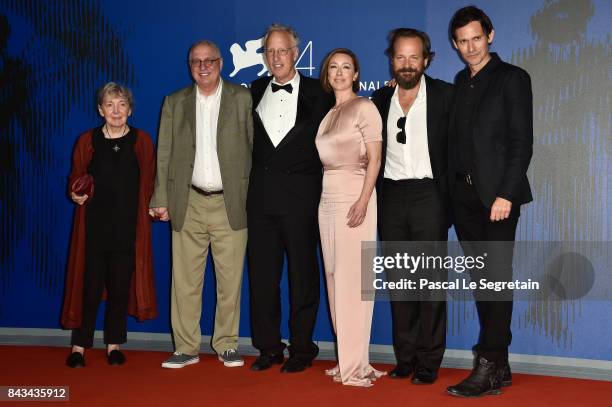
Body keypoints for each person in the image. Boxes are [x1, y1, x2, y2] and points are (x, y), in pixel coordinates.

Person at [446, 6, 533, 397]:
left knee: (495, 282)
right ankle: (502, 364)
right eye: (463, 41)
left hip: (497, 200)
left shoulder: (513, 79)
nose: (470, 47)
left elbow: (521, 142)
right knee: (484, 283)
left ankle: (487, 363)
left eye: (476, 38)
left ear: (490, 35)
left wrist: (506, 194)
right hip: (463, 199)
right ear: (455, 44)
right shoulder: (459, 82)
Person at [150, 40, 253, 369]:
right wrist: (160, 199)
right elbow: (163, 154)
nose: (203, 66)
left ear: (221, 63)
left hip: (231, 202)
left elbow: (254, 149)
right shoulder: (175, 102)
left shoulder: (242, 98)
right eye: (196, 61)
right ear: (189, 65)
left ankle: (227, 343)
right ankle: (185, 347)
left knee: (230, 279)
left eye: (209, 60)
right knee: (184, 281)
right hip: (188, 200)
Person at [248, 24, 333, 373]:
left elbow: (353, 116)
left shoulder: (320, 92)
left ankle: (302, 347)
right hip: (262, 201)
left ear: (296, 53)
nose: (276, 57)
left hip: (302, 199)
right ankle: (268, 347)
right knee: (262, 279)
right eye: (270, 51)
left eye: (283, 50)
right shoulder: (252, 90)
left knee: (303, 278)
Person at [371, 28, 453, 385]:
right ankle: (405, 358)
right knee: (400, 281)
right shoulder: (379, 99)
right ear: (392, 60)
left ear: (426, 60)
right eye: (400, 57)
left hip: (429, 195)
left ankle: (429, 361)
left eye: (414, 57)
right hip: (390, 196)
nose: (407, 64)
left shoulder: (445, 96)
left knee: (430, 282)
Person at [62, 82, 157, 368]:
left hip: (128, 231)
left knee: (119, 289)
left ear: (130, 109)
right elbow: (75, 179)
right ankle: (79, 347)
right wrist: (74, 193)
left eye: (122, 104)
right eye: (110, 105)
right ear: (100, 110)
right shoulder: (86, 141)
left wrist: (158, 205)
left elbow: (151, 181)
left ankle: (114, 346)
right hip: (93, 231)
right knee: (87, 290)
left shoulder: (141, 141)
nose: (116, 110)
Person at [316, 48, 384, 387]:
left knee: (353, 282)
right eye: (334, 67)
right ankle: (350, 358)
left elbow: (375, 159)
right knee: (333, 279)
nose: (340, 73)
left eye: (346, 67)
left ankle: (355, 367)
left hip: (355, 197)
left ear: (356, 74)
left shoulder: (365, 107)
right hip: (326, 201)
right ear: (327, 75)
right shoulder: (330, 113)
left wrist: (363, 199)